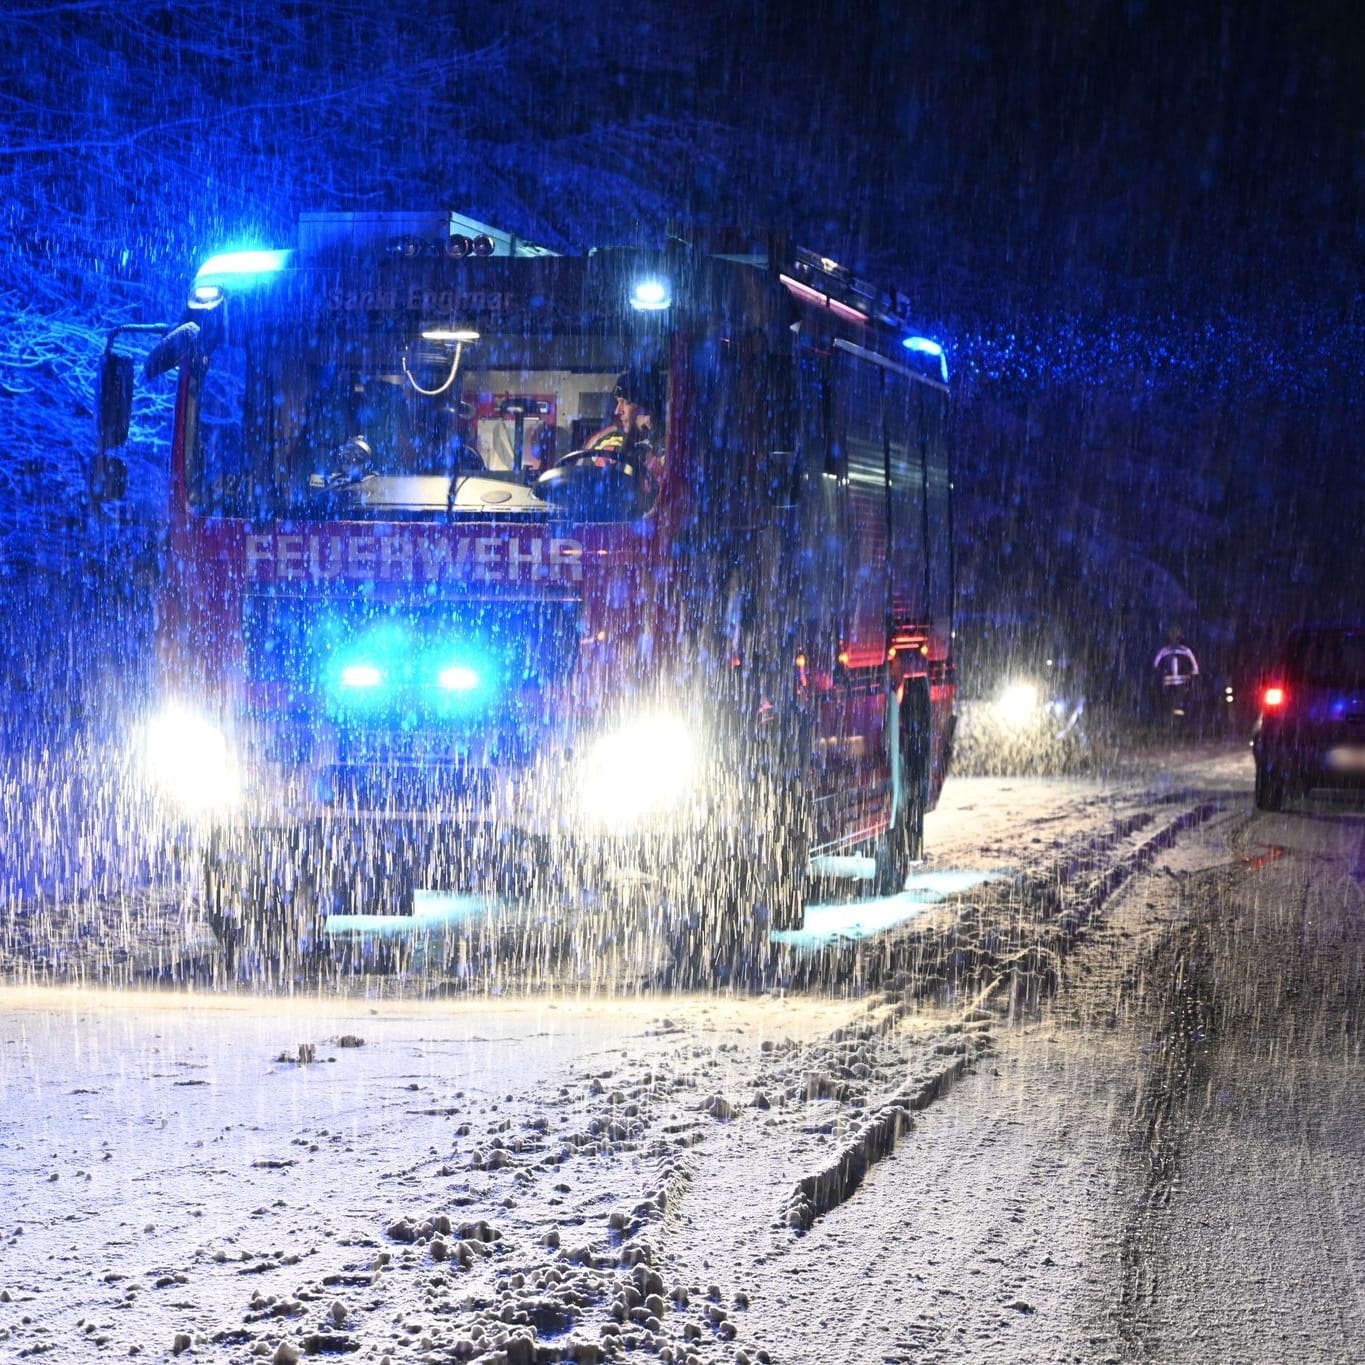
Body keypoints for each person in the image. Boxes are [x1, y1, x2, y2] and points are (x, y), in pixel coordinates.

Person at [581, 368, 664, 482]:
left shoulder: (665, 448)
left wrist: (654, 434)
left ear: (646, 409)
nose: (617, 410)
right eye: (618, 402)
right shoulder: (603, 440)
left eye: (626, 402)